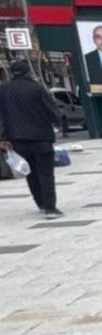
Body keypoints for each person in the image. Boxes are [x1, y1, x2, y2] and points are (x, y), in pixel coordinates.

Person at [0, 59, 62, 217]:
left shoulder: (3, 90)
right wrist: (57, 123)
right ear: (28, 71)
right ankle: (50, 207)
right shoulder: (37, 88)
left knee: (30, 173)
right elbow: (51, 110)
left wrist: (3, 137)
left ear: (12, 73)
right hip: (41, 137)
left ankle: (40, 203)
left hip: (18, 139)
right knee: (46, 173)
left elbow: (1, 116)